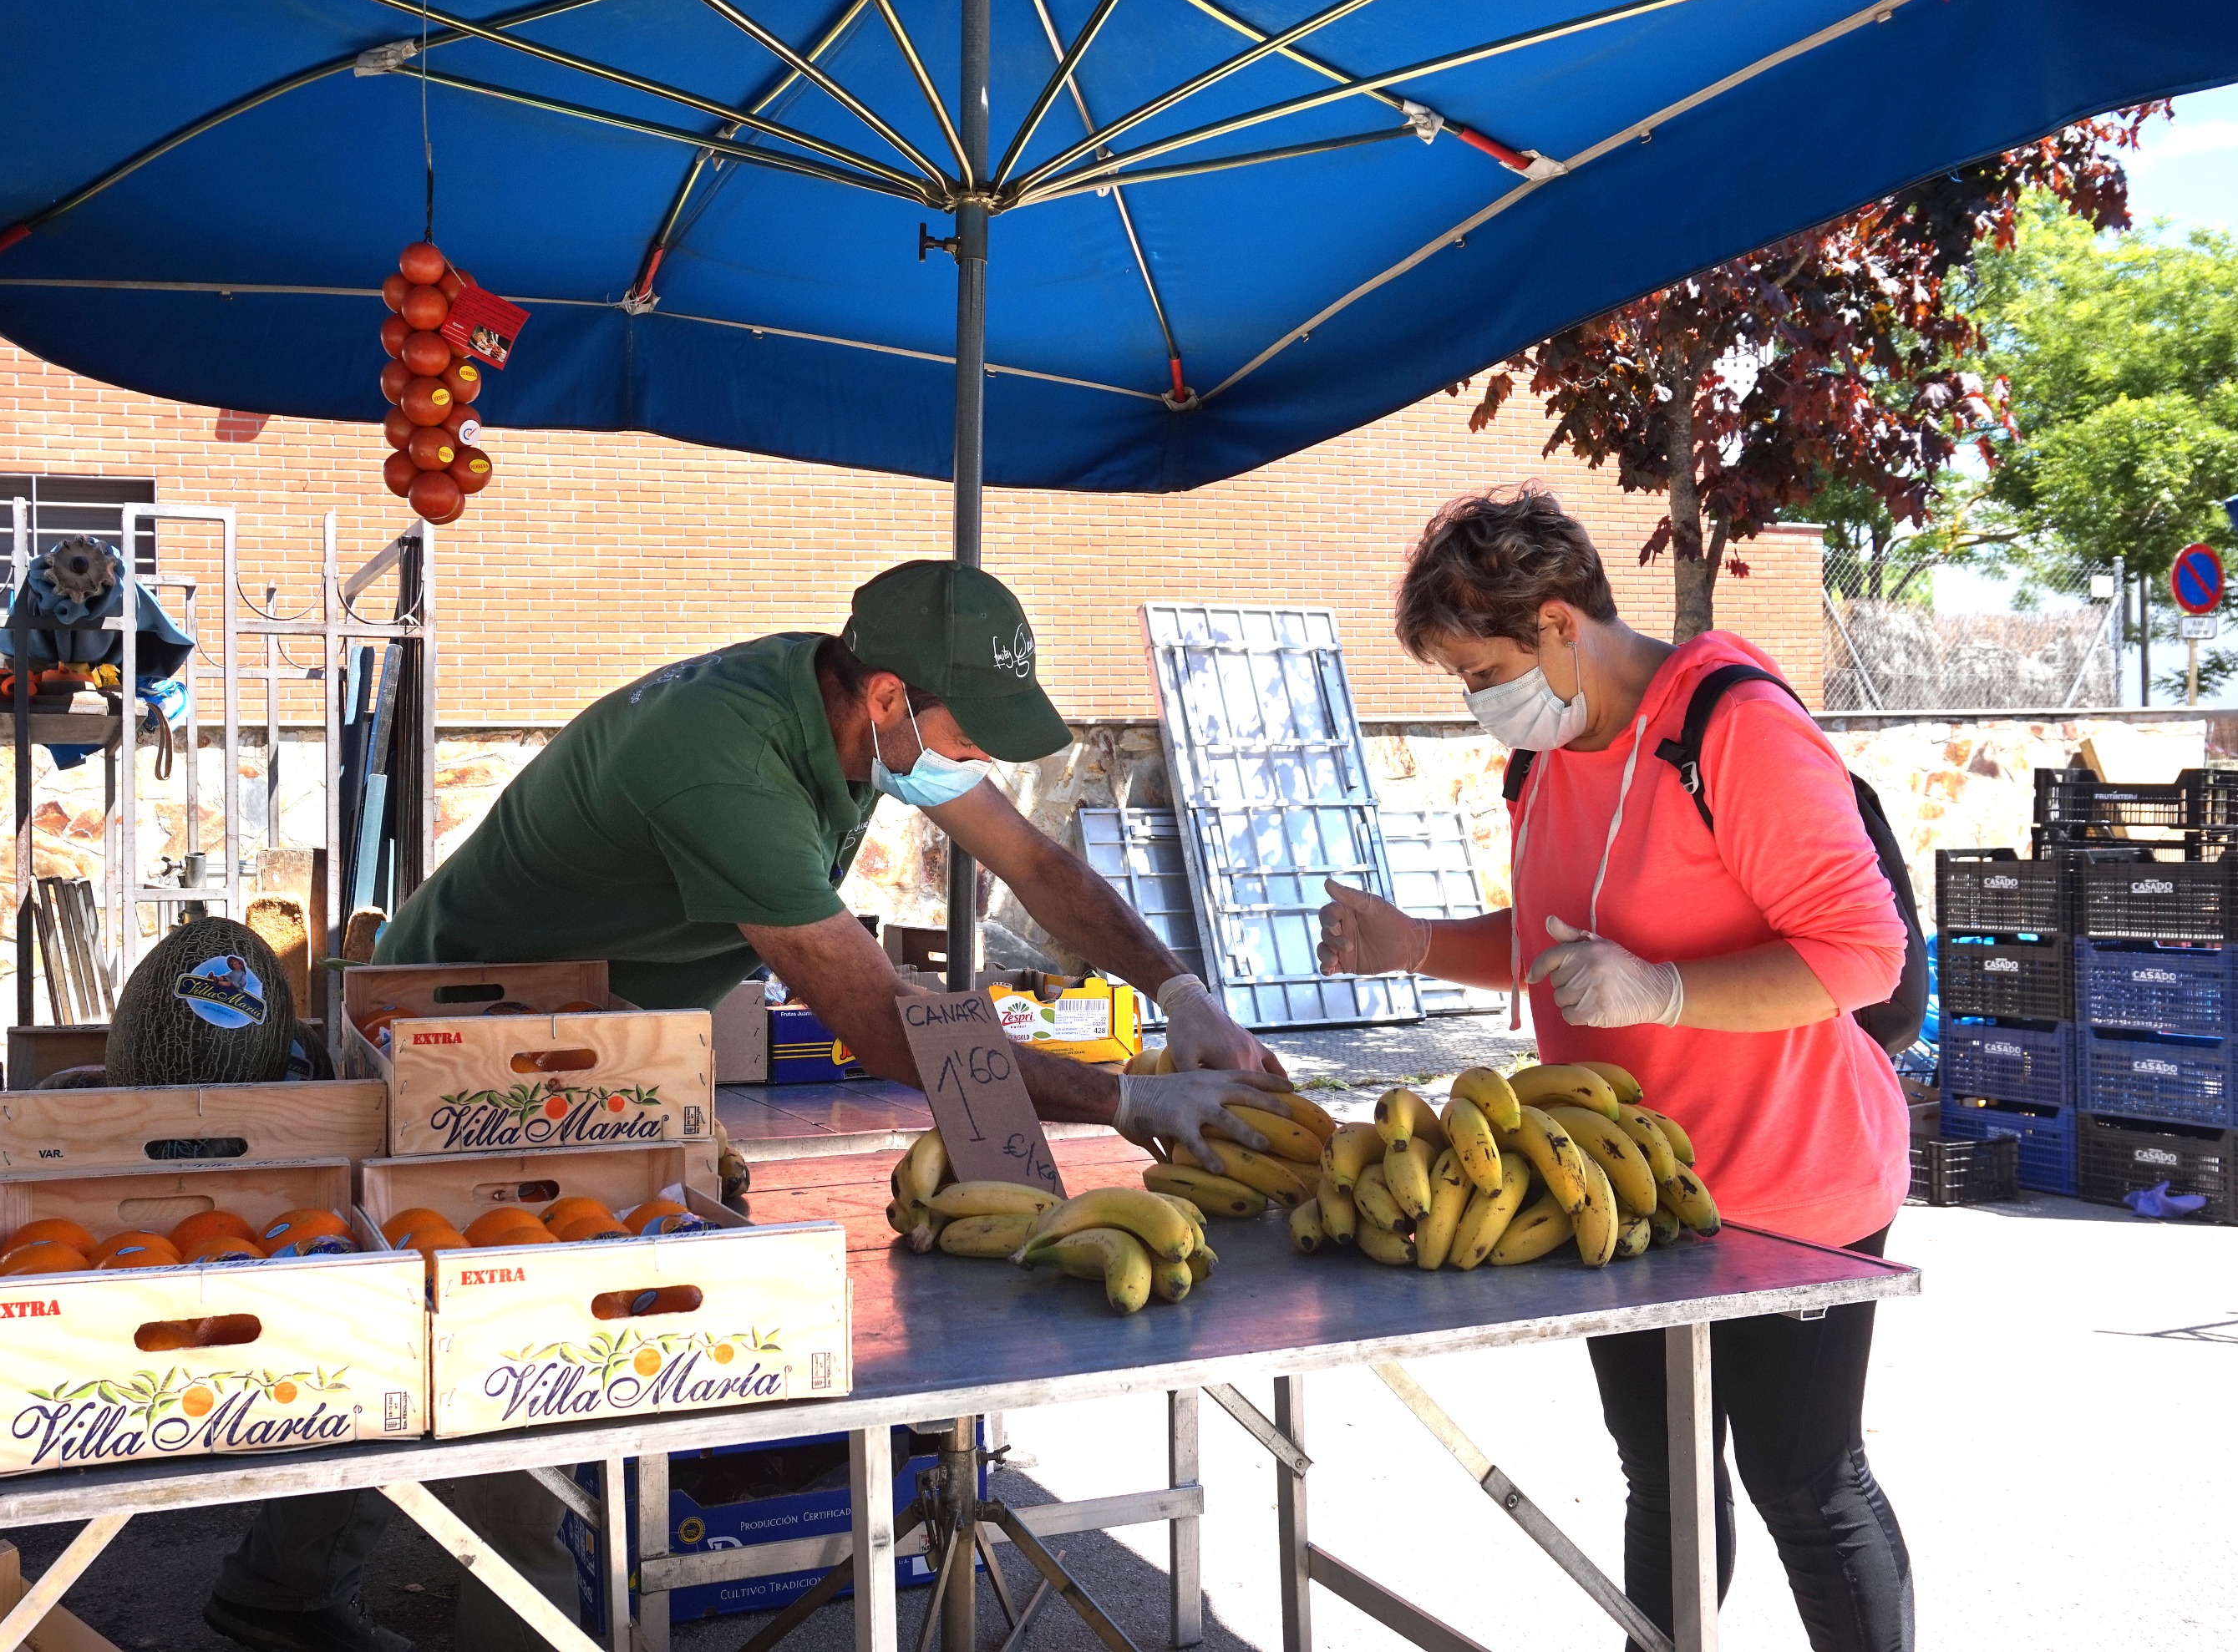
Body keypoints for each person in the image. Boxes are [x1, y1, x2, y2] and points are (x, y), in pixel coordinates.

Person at [204, 559, 1289, 1652]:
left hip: (605, 1039)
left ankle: (279, 1592)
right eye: (971, 735)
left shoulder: (859, 717)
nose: (980, 761)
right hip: (478, 1032)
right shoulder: (727, 769)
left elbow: (1039, 868)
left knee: (510, 1333)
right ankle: (464, 1620)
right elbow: (885, 1024)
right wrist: (1126, 1097)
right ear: (886, 700)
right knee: (515, 1345)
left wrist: (1181, 995)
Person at [1315, 489, 1913, 1652]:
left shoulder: (1729, 724)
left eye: (1479, 668)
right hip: (1625, 1194)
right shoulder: (1547, 757)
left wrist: (1668, 990)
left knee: (1804, 1482)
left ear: (1556, 625)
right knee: (1667, 1476)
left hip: (1794, 1188)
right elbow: (1556, 947)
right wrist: (1417, 943)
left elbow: (1863, 953)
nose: (1478, 701)